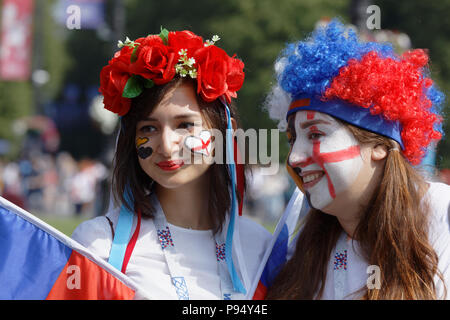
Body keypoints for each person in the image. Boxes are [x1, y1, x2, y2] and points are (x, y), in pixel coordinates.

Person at [72, 29, 271, 300]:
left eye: (184, 125)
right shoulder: (98, 244)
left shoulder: (260, 247)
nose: (166, 146)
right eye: (149, 128)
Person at [262, 19, 450, 300]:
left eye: (315, 134)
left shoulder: (441, 214)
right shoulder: (297, 248)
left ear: (378, 145)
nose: (295, 157)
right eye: (292, 140)